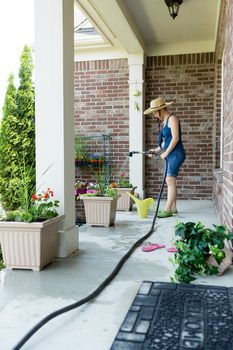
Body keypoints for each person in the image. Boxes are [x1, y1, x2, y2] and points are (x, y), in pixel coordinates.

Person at [144, 97, 186, 218]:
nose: (155, 116)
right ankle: (173, 208)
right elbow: (164, 142)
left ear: (161, 110)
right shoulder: (164, 122)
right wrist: (156, 150)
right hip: (170, 153)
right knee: (171, 181)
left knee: (170, 180)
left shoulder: (172, 119)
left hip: (176, 154)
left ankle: (167, 209)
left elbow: (175, 138)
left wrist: (166, 153)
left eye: (155, 113)